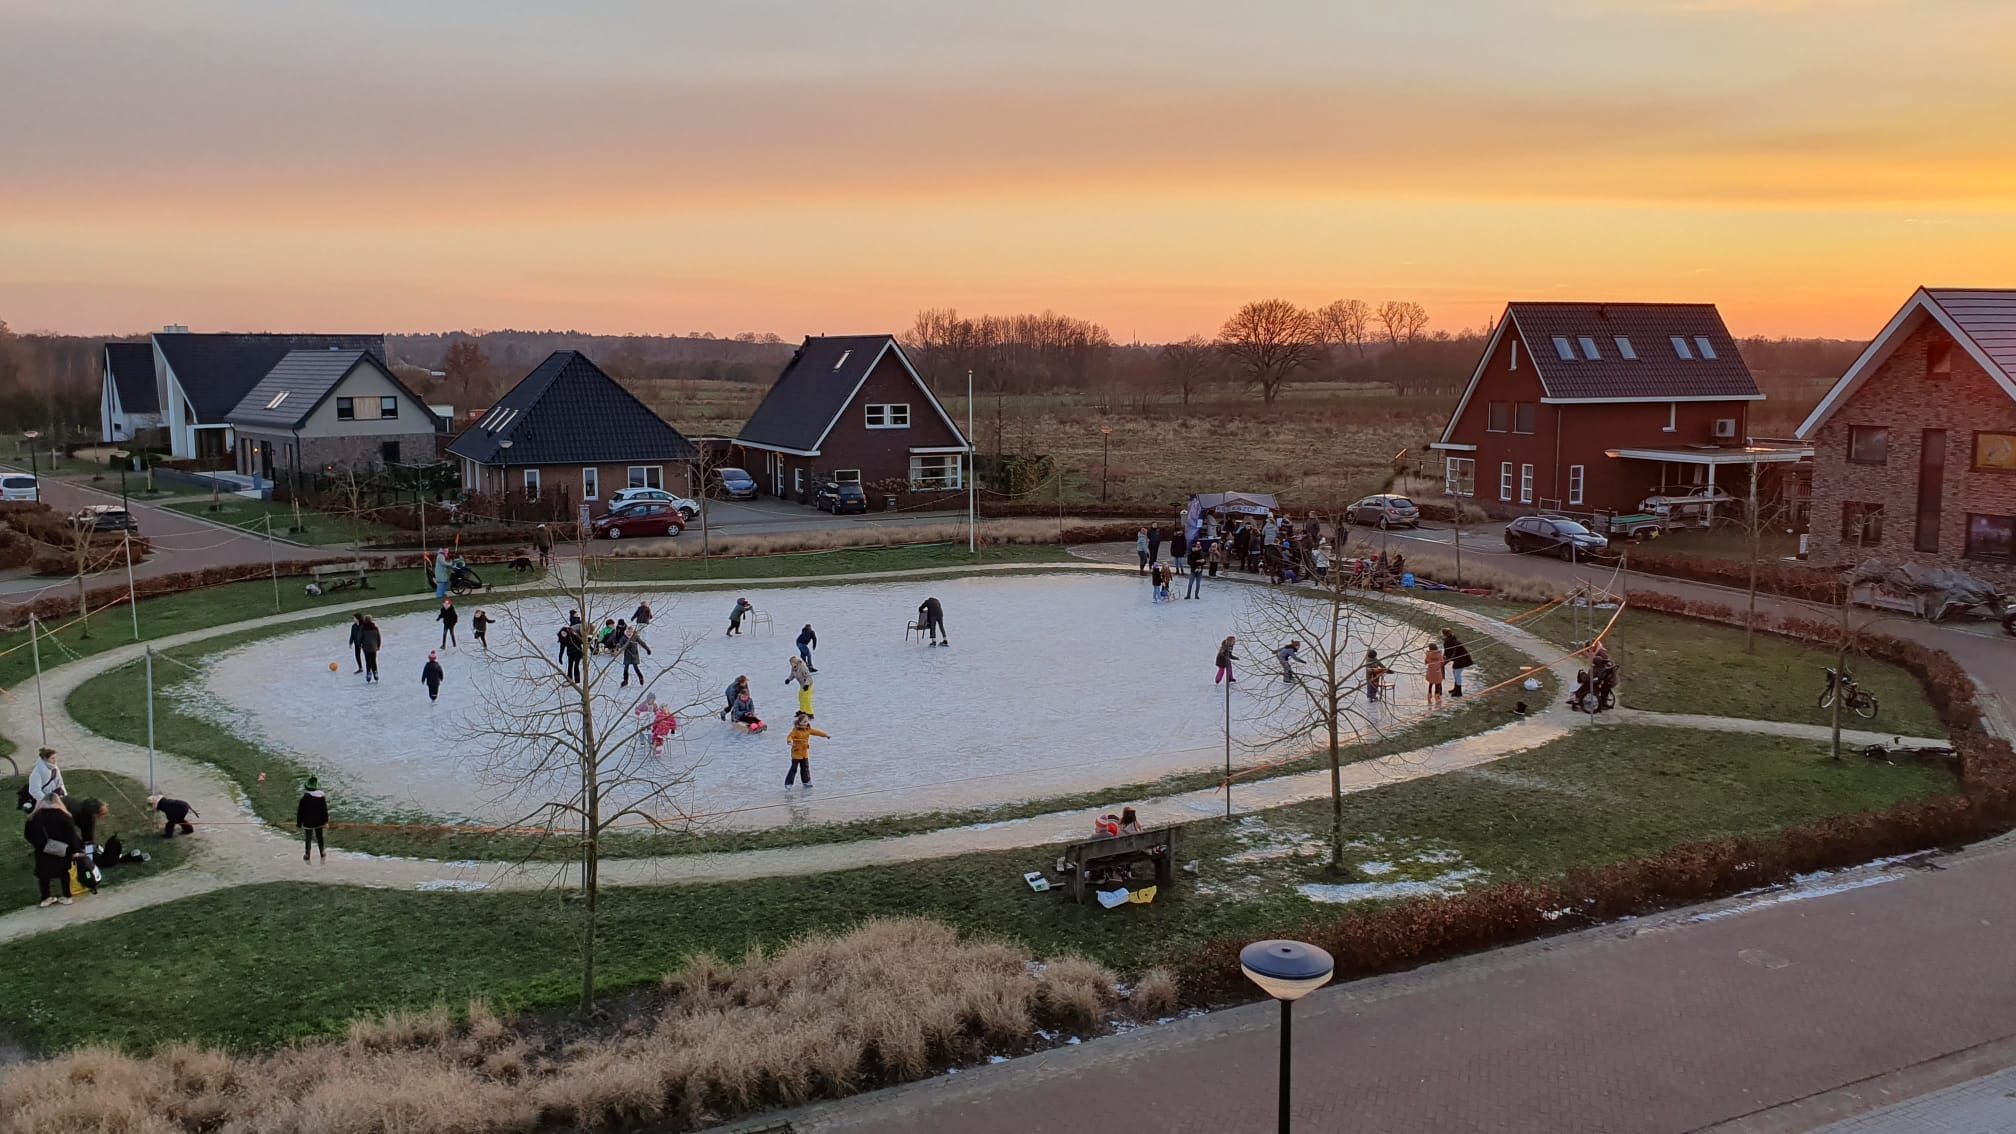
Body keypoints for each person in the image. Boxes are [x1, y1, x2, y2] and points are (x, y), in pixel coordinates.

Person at [25, 795, 81, 907]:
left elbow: (27, 835)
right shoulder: (64, 816)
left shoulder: (34, 817)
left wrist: (38, 844)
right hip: (62, 849)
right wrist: (75, 850)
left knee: (43, 874)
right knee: (64, 872)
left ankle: (46, 898)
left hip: (42, 850)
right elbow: (71, 836)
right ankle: (67, 896)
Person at [69, 796, 108, 893]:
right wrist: (89, 863)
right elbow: (87, 839)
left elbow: (87, 838)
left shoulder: (81, 807)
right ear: (95, 814)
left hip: (52, 813)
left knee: (76, 844)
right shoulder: (86, 817)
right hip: (55, 821)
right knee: (71, 844)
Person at [785, 712, 829, 786]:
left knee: (805, 768)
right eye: (804, 721)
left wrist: (825, 735)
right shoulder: (795, 730)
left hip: (804, 753)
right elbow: (790, 736)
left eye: (807, 721)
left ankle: (806, 782)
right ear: (800, 722)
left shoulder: (808, 729)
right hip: (796, 752)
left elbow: (817, 732)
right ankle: (788, 783)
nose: (806, 723)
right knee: (794, 769)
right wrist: (790, 741)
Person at [297, 777, 329, 863]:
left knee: (308, 838)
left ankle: (307, 854)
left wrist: (299, 824)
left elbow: (300, 812)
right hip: (319, 822)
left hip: (308, 822)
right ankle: (322, 852)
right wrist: (325, 821)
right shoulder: (321, 797)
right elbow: (324, 810)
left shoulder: (304, 799)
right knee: (320, 837)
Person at [1442, 629, 1473, 697]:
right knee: (1455, 672)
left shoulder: (1452, 642)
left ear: (1445, 635)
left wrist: (1444, 663)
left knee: (1457, 674)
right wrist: (1443, 660)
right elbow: (1446, 653)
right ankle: (1455, 689)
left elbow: (1452, 654)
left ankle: (1459, 692)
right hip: (1458, 659)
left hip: (1463, 659)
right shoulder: (1448, 641)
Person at [360, 616, 381, 682]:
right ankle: (375, 672)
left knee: (368, 661)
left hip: (366, 647)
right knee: (373, 660)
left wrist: (360, 644)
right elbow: (378, 637)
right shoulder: (375, 628)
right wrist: (378, 645)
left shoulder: (363, 628)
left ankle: (369, 673)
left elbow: (360, 637)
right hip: (373, 647)